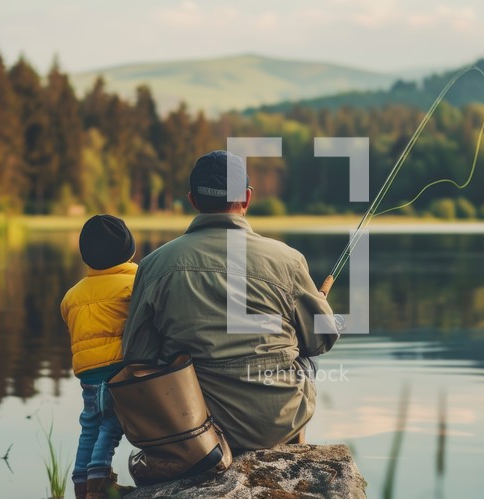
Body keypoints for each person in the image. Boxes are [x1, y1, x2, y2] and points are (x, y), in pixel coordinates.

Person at [121, 150, 339, 450]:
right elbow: (321, 340)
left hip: (195, 428)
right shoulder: (287, 259)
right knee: (307, 356)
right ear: (247, 198)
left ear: (193, 200)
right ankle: (293, 450)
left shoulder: (154, 265)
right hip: (275, 425)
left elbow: (138, 355)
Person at [61, 215, 138, 499]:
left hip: (87, 374)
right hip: (116, 370)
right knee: (112, 424)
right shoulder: (133, 283)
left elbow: (69, 321)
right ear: (129, 250)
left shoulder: (72, 294)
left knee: (90, 425)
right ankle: (98, 482)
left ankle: (81, 486)